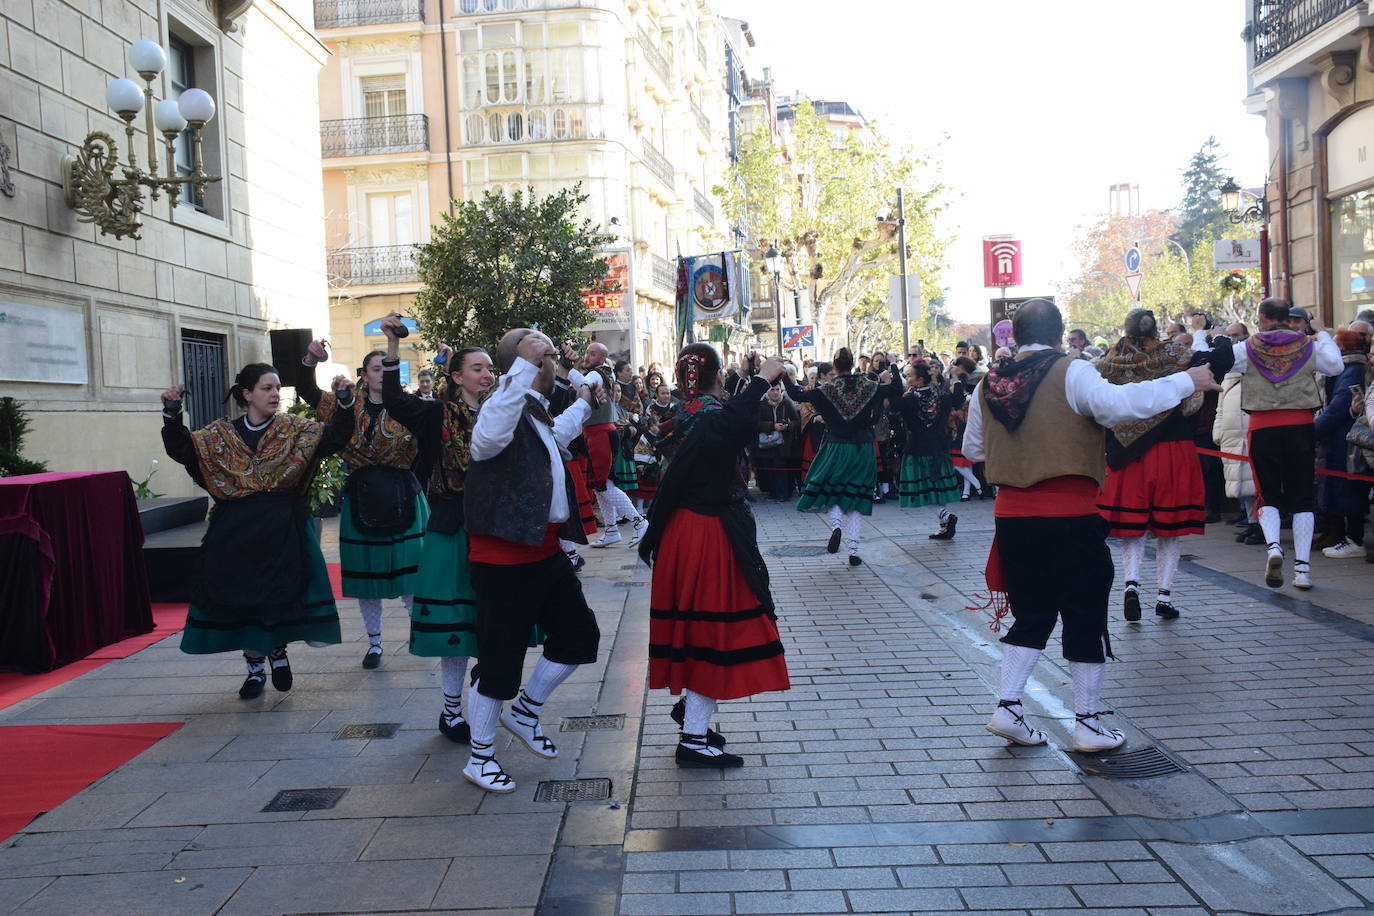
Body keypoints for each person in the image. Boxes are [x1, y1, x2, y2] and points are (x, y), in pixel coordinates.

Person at [963, 300, 1218, 753]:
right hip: (1070, 511)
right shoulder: (1072, 370)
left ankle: (1008, 707)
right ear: (1060, 333)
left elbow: (975, 450)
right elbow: (1119, 406)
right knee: (1084, 612)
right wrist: (1185, 379)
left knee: (1033, 612)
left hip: (1012, 516)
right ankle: (1086, 721)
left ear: (1014, 335)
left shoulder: (988, 383)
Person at [460, 328, 603, 793]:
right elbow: (485, 444)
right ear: (523, 359)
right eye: (540, 345)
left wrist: (584, 401)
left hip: (543, 551)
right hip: (504, 557)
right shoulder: (503, 399)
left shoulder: (532, 407)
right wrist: (521, 366)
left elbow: (554, 438)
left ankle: (525, 711)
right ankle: (480, 758)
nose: (551, 350)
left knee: (580, 636)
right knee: (500, 660)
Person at [160, 364, 356, 698]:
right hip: (236, 530)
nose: (275, 394)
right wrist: (171, 413)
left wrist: (345, 403)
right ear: (247, 394)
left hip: (282, 526)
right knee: (242, 598)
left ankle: (277, 650)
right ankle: (254, 669)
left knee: (277, 594)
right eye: (266, 388)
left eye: (277, 387)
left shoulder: (295, 430)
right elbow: (183, 450)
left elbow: (335, 437)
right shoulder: (220, 436)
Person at [640, 346, 790, 768]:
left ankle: (694, 718)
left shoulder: (679, 412)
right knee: (712, 633)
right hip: (706, 531)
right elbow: (735, 423)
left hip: (681, 531)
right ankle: (692, 738)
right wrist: (761, 380)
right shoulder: (709, 415)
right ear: (717, 377)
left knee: (695, 630)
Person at [377, 322, 497, 742]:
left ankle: (486, 700)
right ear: (457, 376)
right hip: (452, 525)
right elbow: (392, 398)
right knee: (455, 625)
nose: (486, 374)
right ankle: (451, 710)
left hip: (497, 529)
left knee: (491, 621)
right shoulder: (435, 414)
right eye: (477, 368)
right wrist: (393, 346)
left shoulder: (504, 411)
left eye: (490, 368)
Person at [1193, 298, 1342, 589]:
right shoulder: (1308, 345)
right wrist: (1322, 333)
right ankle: (1303, 570)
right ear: (1288, 318)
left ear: (1261, 319)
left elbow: (1207, 360)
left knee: (1267, 494)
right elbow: (1335, 366)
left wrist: (1203, 334)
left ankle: (1274, 547)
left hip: (1263, 427)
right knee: (1302, 498)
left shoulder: (1247, 349)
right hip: (1300, 425)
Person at [296, 337, 426, 669]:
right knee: (369, 579)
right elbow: (307, 391)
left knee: (412, 576)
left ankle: (423, 636)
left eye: (386, 368)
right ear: (364, 374)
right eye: (375, 368)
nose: (382, 373)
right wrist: (311, 360)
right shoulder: (346, 405)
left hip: (404, 492)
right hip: (362, 494)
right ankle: (375, 644)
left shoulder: (410, 406)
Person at [1094, 309, 1208, 622]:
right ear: (1155, 330)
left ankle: (1131, 585)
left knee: (1133, 528)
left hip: (1125, 451)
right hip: (1172, 446)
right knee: (1169, 531)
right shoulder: (1174, 353)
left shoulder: (1107, 359)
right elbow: (1194, 397)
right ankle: (1164, 596)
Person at [785, 347, 901, 566]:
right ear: (852, 364)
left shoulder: (827, 389)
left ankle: (836, 526)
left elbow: (796, 394)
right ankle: (854, 550)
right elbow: (896, 388)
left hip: (835, 446)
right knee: (856, 497)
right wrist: (892, 364)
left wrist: (782, 374)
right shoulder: (870, 386)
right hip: (863, 448)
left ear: (835, 366)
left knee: (833, 490)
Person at [580, 342, 648, 548]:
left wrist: (570, 377)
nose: (587, 356)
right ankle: (611, 530)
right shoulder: (600, 372)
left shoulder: (595, 375)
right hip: (598, 433)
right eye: (587, 352)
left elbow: (584, 383)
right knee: (601, 485)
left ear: (602, 358)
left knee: (603, 485)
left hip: (600, 433)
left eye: (592, 354)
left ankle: (639, 522)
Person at [1313, 329, 1371, 558]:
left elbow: (1339, 406)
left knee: (1348, 488)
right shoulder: (1345, 369)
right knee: (1337, 486)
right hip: (1340, 437)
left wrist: (1313, 430)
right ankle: (1337, 532)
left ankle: (1352, 539)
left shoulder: (1352, 369)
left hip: (1346, 439)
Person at [891, 360, 964, 538]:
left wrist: (894, 377)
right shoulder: (941, 396)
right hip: (939, 446)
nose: (907, 378)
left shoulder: (909, 399)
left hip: (917, 448)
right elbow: (958, 400)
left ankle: (945, 517)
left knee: (924, 489)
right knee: (936, 487)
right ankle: (944, 525)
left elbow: (892, 407)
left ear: (920, 379)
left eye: (909, 376)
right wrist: (957, 380)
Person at [753, 380, 800, 501]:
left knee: (781, 468)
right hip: (767, 443)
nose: (775, 393)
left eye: (777, 390)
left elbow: (796, 420)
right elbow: (756, 424)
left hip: (784, 442)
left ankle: (782, 494)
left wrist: (787, 426)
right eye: (772, 390)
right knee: (770, 468)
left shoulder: (786, 403)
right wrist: (772, 426)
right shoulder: (761, 405)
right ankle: (773, 492)